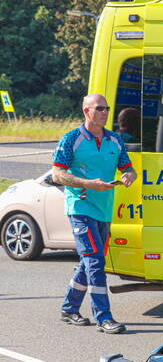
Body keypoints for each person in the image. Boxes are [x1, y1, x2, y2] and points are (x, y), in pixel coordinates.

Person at [51, 94, 136, 333]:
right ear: (86, 111)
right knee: (95, 261)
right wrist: (88, 184)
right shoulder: (71, 139)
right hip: (80, 208)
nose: (105, 112)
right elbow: (58, 174)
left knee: (88, 261)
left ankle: (69, 309)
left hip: (104, 210)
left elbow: (128, 167)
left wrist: (129, 175)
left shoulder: (114, 140)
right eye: (99, 108)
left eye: (107, 108)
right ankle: (104, 317)